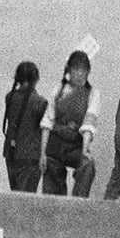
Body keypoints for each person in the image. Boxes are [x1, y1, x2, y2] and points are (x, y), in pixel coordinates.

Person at [40, 47, 97, 197]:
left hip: (74, 146)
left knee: (88, 165)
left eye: (83, 70)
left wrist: (85, 150)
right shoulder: (58, 90)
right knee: (52, 191)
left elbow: (89, 124)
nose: (79, 74)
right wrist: (42, 153)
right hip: (55, 144)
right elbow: (47, 122)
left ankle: (78, 205)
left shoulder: (92, 94)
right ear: (69, 70)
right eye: (76, 69)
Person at [2, 60, 44, 192]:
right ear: (36, 79)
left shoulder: (10, 97)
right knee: (27, 199)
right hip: (30, 155)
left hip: (11, 152)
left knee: (15, 193)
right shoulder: (40, 102)